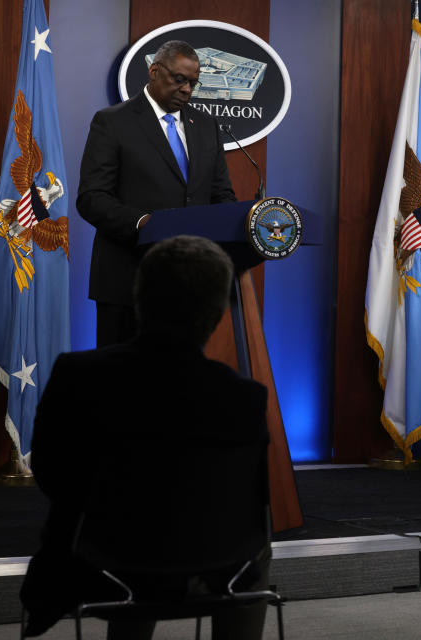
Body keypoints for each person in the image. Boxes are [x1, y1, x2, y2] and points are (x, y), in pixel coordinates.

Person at [20, 236, 270, 640]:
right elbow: (254, 499)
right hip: (214, 570)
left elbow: (50, 473)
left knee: (130, 536)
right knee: (258, 546)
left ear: (139, 297)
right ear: (219, 311)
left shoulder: (78, 374)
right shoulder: (244, 396)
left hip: (100, 565)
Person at [78, 40, 236, 347]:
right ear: (154, 71)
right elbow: (92, 197)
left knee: (176, 389)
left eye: (193, 83)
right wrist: (143, 223)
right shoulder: (112, 122)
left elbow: (222, 196)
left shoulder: (206, 127)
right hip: (126, 283)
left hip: (189, 287)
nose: (187, 90)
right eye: (179, 79)